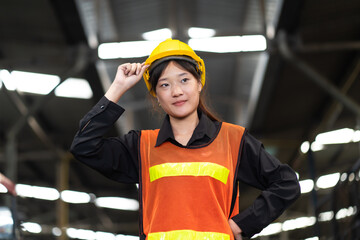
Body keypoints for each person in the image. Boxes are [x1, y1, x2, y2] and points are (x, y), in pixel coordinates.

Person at [70, 39, 300, 240]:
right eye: (165, 85)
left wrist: (244, 223)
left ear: (199, 83)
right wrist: (118, 87)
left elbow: (287, 183)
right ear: (157, 96)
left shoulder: (233, 140)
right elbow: (83, 146)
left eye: (184, 80)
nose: (176, 92)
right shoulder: (141, 147)